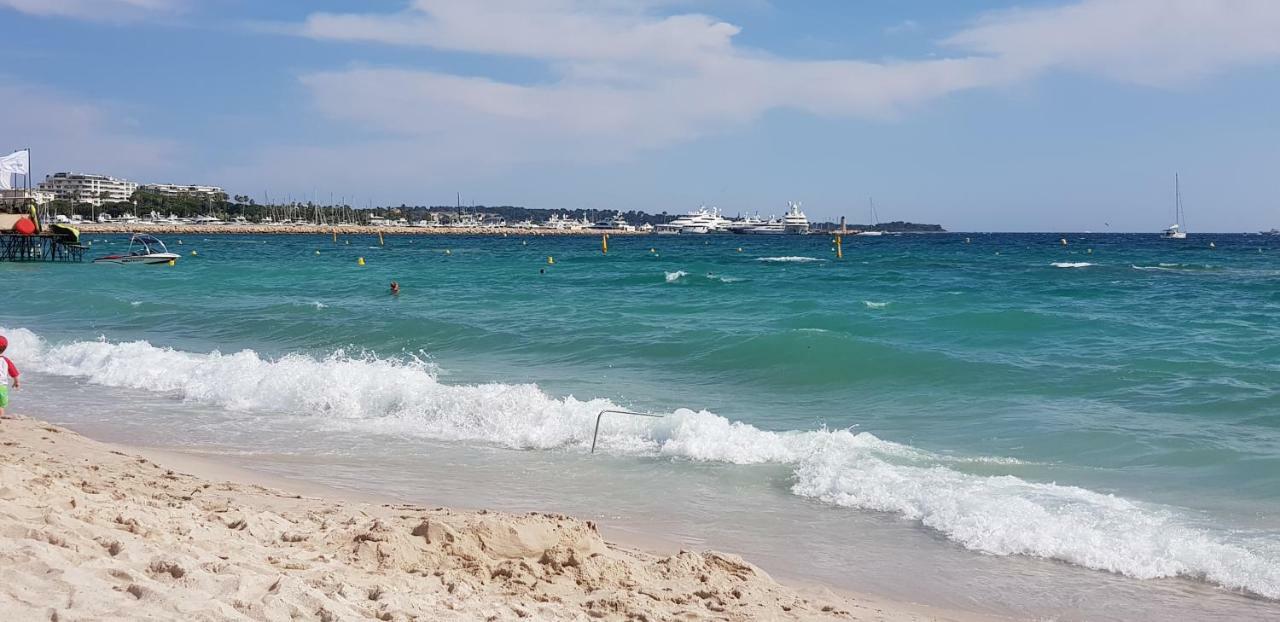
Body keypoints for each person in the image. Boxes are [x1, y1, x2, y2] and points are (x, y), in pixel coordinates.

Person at [0, 336, 19, 419]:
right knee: (1, 406)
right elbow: (13, 372)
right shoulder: (6, 361)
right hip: (2, 387)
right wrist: (16, 382)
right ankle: (1, 417)